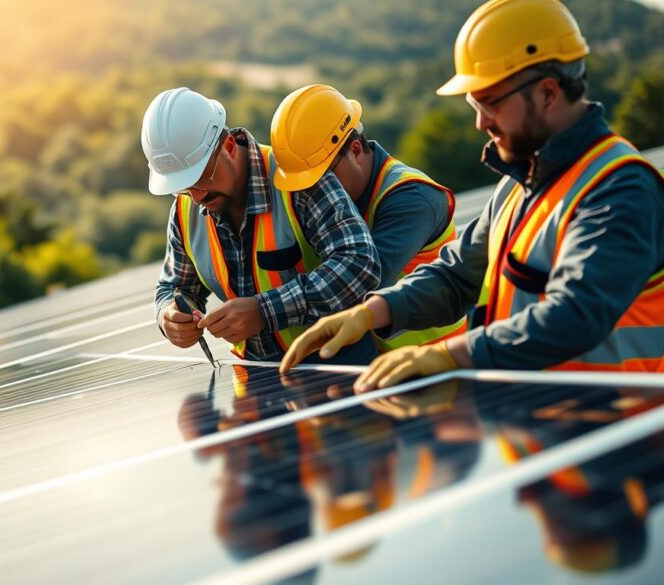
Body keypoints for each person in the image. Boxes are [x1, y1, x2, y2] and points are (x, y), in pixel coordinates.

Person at [280, 0, 664, 388]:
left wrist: (452, 354)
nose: (480, 122)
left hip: (621, 427)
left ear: (548, 93)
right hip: (546, 420)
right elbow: (457, 276)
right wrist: (373, 311)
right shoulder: (517, 186)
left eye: (489, 103)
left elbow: (577, 313)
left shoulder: (620, 189)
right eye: (474, 104)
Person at [143, 87, 380, 363]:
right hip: (256, 379)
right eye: (182, 187)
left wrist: (263, 311)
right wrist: (169, 314)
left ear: (229, 146)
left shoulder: (297, 179)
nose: (196, 197)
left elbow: (360, 263)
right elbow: (174, 287)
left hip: (342, 368)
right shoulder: (186, 209)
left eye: (200, 178)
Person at [270, 84, 467, 351]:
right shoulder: (332, 204)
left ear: (354, 149)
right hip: (374, 369)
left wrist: (264, 310)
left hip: (436, 366)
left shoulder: (412, 199)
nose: (316, 191)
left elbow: (357, 285)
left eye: (324, 176)